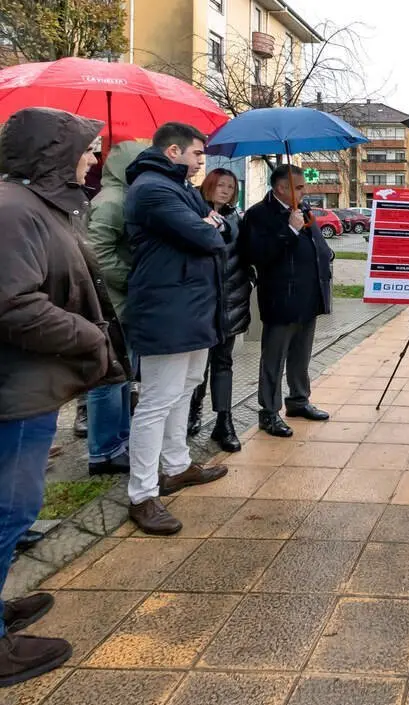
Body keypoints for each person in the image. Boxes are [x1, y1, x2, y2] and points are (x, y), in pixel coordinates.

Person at [0, 106, 129, 686]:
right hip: (16, 390)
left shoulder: (36, 207)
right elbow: (13, 305)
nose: (94, 157)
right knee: (9, 511)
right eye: (86, 147)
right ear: (53, 153)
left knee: (13, 507)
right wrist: (88, 333)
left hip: (31, 383)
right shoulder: (12, 212)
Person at [124, 122, 229, 535]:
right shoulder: (153, 188)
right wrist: (208, 227)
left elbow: (218, 228)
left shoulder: (178, 187)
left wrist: (210, 225)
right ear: (173, 151)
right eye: (196, 154)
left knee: (184, 388)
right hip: (167, 309)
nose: (202, 160)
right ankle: (143, 494)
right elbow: (206, 236)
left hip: (192, 308)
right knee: (156, 401)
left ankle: (177, 465)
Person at [242, 164, 333, 438]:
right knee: (274, 357)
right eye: (300, 187)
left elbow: (317, 245)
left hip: (309, 296)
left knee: (301, 355)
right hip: (282, 299)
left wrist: (326, 256)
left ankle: (299, 400)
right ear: (282, 188)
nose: (305, 191)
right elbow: (257, 254)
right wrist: (290, 231)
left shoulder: (303, 211)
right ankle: (269, 412)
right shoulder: (259, 214)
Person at [84, 140, 149, 476]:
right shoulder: (112, 201)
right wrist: (131, 279)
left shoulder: (121, 196)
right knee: (109, 379)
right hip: (111, 304)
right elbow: (98, 253)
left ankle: (117, 442)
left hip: (121, 303)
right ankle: (104, 451)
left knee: (121, 376)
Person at [187, 168, 252, 452]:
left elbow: (242, 249)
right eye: (220, 184)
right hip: (201, 303)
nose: (225, 190)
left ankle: (224, 421)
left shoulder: (235, 218)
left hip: (231, 302)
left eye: (230, 186)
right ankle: (192, 411)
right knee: (196, 366)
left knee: (223, 362)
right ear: (208, 185)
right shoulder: (191, 212)